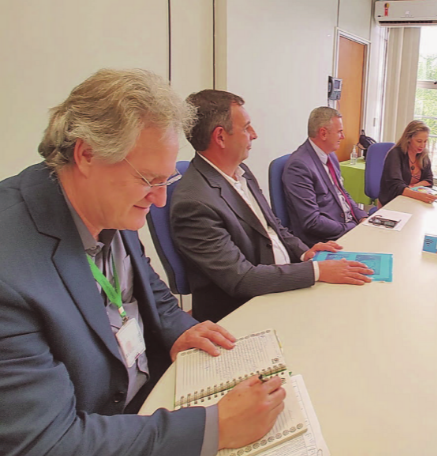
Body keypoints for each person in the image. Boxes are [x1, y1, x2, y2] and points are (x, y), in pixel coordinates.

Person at [0, 69, 287, 456]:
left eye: (165, 180)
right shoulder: (10, 267)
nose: (160, 200)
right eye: (149, 180)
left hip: (153, 396)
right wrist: (213, 428)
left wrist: (179, 330)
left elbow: (148, 287)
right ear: (87, 154)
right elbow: (46, 441)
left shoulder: (109, 201)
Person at [170, 90, 372, 323]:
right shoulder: (194, 203)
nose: (254, 134)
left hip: (282, 279)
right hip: (245, 308)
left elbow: (274, 226)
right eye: (247, 127)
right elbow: (241, 278)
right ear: (221, 137)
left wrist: (304, 252)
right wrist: (317, 271)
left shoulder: (241, 171)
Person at [282, 107, 367, 247]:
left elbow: (342, 193)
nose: (343, 136)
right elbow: (312, 221)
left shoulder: (330, 156)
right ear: (323, 133)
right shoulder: (299, 166)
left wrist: (361, 216)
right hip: (325, 239)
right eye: (339, 132)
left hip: (346, 227)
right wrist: (351, 228)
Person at [379, 120, 436, 206]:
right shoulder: (395, 154)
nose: (422, 145)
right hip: (391, 202)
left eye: (425, 141)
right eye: (419, 141)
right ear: (409, 139)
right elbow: (396, 186)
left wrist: (413, 187)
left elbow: (429, 181)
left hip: (412, 201)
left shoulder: (423, 155)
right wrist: (418, 195)